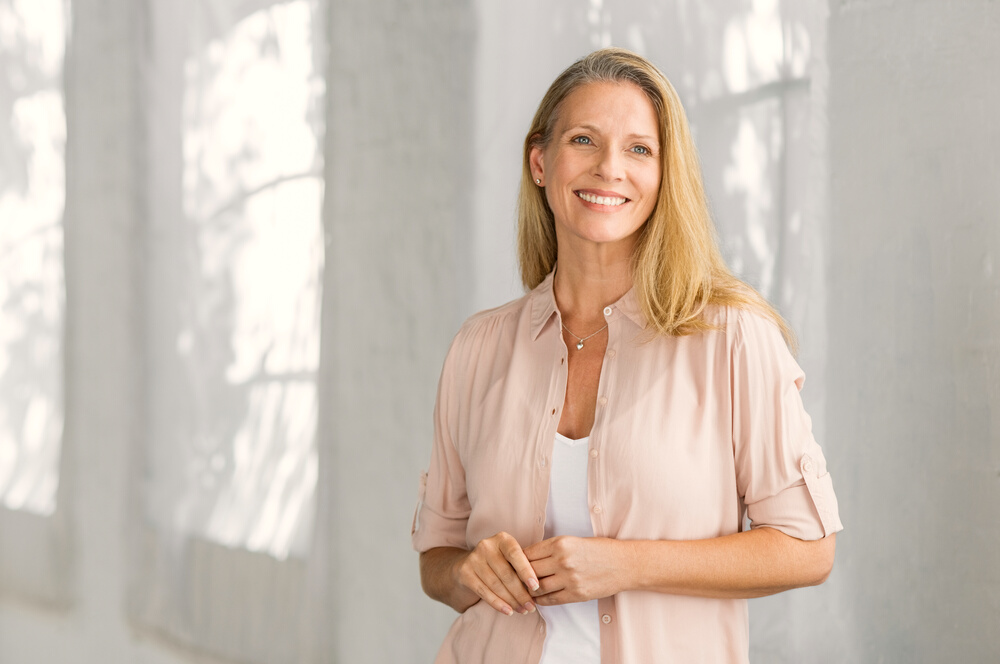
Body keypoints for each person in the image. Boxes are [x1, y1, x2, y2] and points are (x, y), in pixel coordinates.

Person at [411, 47, 842, 664]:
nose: (610, 167)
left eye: (640, 148)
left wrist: (626, 564)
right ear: (540, 161)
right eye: (584, 140)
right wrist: (468, 572)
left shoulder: (734, 338)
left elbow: (809, 547)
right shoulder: (478, 349)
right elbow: (437, 556)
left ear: (666, 174)